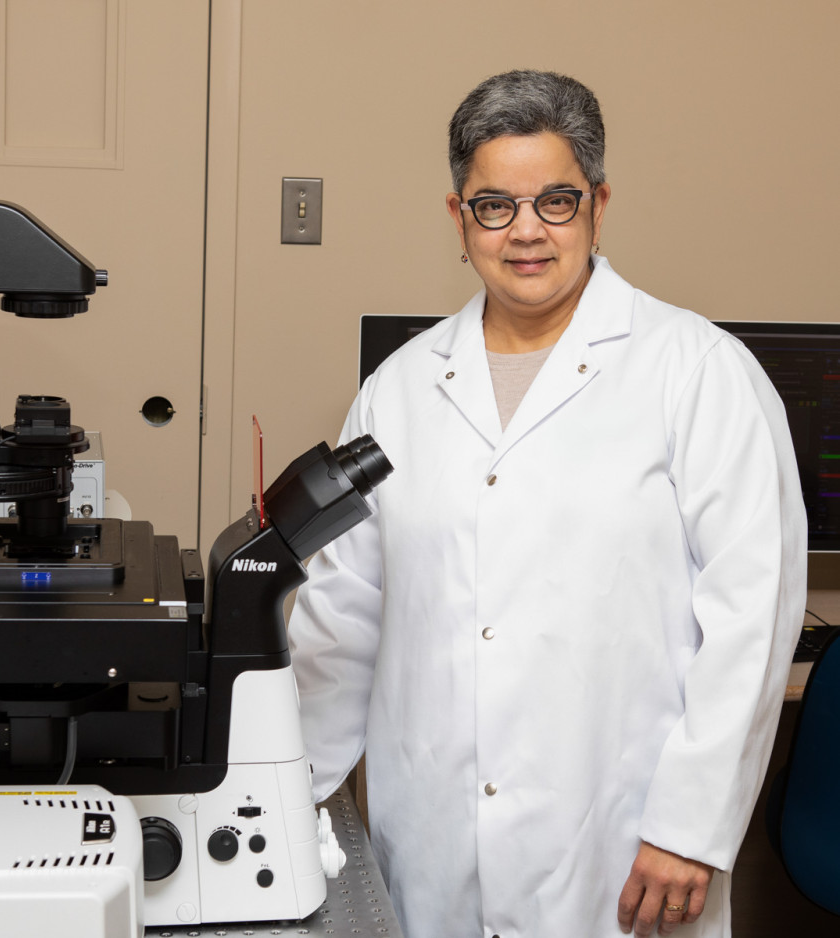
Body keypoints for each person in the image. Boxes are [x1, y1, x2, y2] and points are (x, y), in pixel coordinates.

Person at [288, 69, 806, 938]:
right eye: (495, 206)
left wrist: (689, 827)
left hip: (622, 848)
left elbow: (753, 616)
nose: (526, 231)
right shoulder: (398, 391)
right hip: (433, 844)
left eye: (556, 202)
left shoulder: (697, 371)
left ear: (598, 206)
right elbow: (341, 622)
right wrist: (284, 795)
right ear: (459, 220)